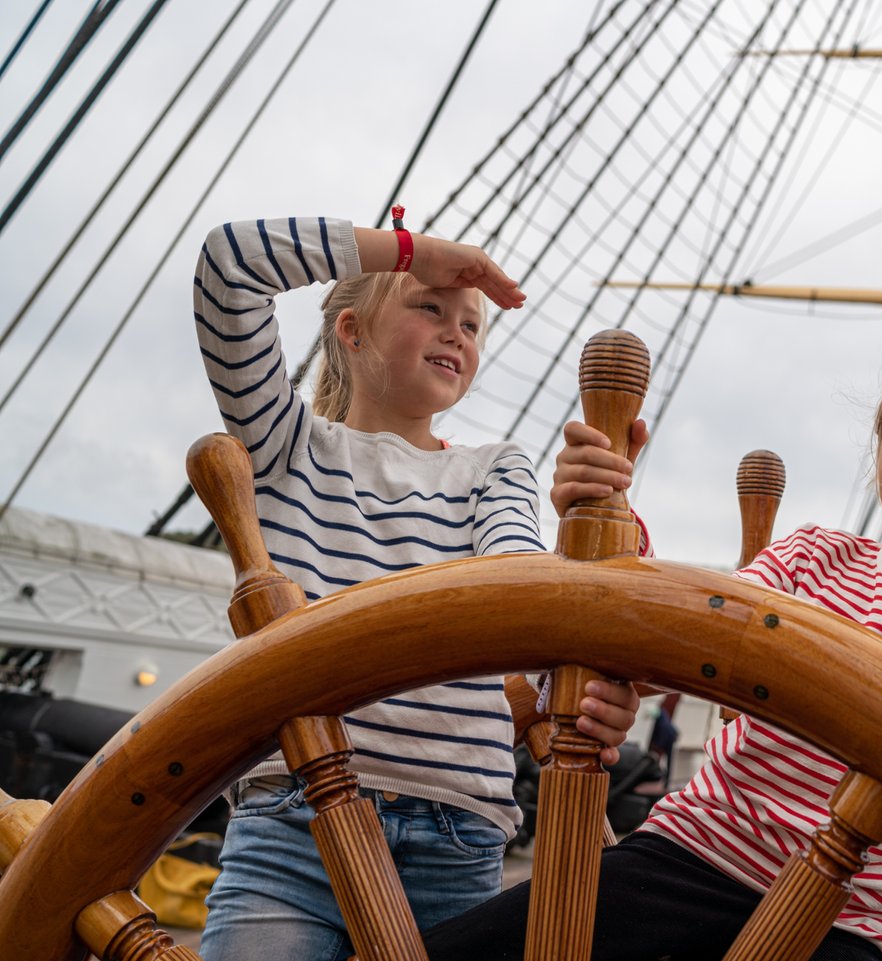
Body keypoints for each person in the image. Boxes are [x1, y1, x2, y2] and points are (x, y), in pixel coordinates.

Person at [423, 340, 882, 961]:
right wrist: (607, 516)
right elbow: (687, 627)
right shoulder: (818, 557)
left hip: (844, 920)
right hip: (691, 852)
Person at [192, 215, 641, 961]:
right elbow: (228, 266)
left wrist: (584, 674)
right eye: (429, 305)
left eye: (471, 323)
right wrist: (412, 252)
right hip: (289, 821)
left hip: (456, 832)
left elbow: (519, 602)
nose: (456, 330)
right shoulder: (286, 447)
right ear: (351, 331)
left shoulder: (496, 469)